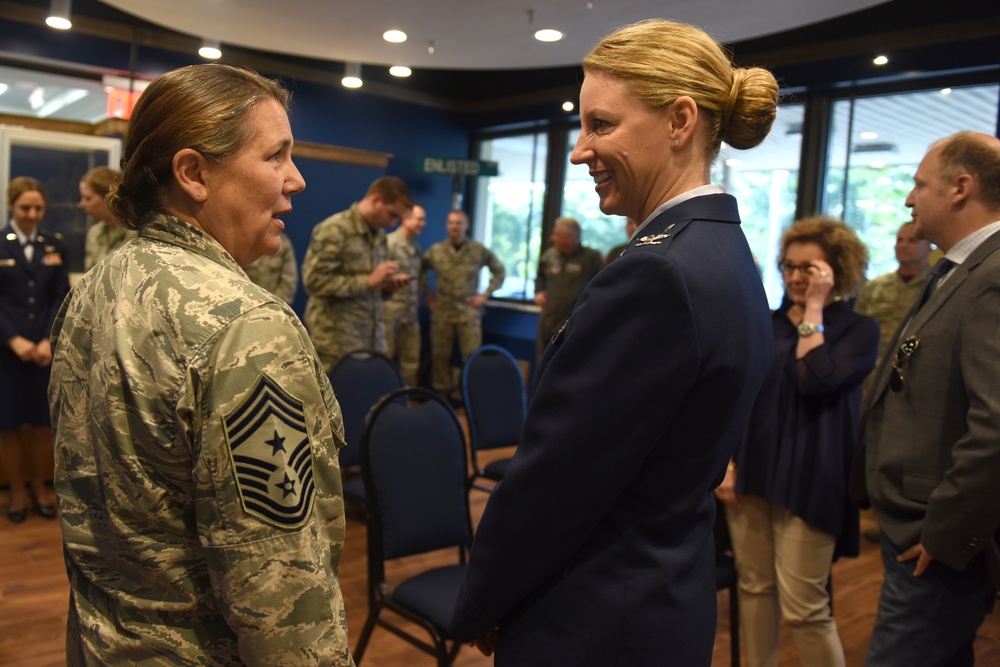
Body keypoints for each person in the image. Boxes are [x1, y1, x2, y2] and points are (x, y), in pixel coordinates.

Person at [449, 18, 778, 665]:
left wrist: (483, 597)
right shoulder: (729, 251)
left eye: (601, 125)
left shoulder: (656, 272)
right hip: (665, 596)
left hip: (594, 616)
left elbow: (557, 480)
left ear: (680, 120)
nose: (578, 149)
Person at [47, 63, 353, 665]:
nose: (296, 179)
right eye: (276, 156)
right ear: (193, 173)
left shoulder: (96, 287)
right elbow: (282, 602)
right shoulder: (246, 327)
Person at [850, 131, 1000, 667]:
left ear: (961, 187)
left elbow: (995, 426)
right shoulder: (957, 269)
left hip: (932, 537)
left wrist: (946, 532)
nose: (910, 199)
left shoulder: (993, 274)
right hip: (914, 525)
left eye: (919, 184)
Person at [715, 217, 878, 667]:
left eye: (810, 268)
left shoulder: (860, 330)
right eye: (789, 266)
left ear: (837, 270)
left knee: (805, 606)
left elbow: (815, 380)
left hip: (814, 475)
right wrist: (728, 464)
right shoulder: (763, 322)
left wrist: (814, 310)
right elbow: (735, 398)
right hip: (753, 470)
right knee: (753, 587)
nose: (796, 276)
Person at [1, 176, 68, 523]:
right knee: (8, 425)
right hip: (6, 350)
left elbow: (60, 297)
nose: (32, 214)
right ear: (12, 205)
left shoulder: (54, 245)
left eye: (38, 208)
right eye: (25, 207)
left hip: (44, 350)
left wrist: (47, 341)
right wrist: (14, 340)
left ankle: (41, 487)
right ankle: (15, 491)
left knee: (45, 424)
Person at [302, 176, 412, 372]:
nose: (393, 224)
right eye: (391, 215)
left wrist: (387, 286)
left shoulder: (379, 236)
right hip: (335, 345)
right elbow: (314, 281)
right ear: (376, 200)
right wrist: (368, 281)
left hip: (371, 342)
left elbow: (373, 285)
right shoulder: (334, 229)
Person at [420, 209, 505, 397]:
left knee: (472, 358)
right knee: (440, 358)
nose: (454, 227)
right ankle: (441, 398)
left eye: (459, 223)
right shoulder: (436, 251)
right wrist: (427, 295)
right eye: (451, 223)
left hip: (468, 312)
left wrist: (485, 295)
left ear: (467, 225)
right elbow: (420, 271)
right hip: (443, 311)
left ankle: (470, 399)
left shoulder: (477, 250)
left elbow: (499, 271)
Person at [855, 221, 931, 391]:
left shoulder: (937, 288)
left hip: (914, 382)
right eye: (899, 240)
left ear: (929, 248)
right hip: (870, 379)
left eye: (912, 241)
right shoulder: (875, 287)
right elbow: (856, 335)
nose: (903, 246)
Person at [533, 216, 603, 362]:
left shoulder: (591, 258)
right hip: (548, 319)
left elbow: (602, 285)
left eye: (556, 234)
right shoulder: (549, 256)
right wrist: (538, 291)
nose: (552, 238)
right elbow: (540, 276)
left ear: (570, 238)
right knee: (542, 362)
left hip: (574, 324)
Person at [383, 202, 426, 386]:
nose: (422, 224)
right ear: (406, 218)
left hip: (410, 315)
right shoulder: (388, 243)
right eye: (419, 219)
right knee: (384, 360)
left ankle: (407, 403)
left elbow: (420, 279)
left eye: (424, 220)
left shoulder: (416, 249)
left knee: (411, 361)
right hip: (389, 314)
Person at [79, 166, 137, 271]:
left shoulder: (136, 233)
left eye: (88, 198)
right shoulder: (94, 233)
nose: (82, 204)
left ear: (108, 197)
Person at [243, 230, 298, 305]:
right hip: (246, 303)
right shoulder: (244, 241)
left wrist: (274, 304)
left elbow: (289, 278)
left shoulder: (283, 243)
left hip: (275, 305)